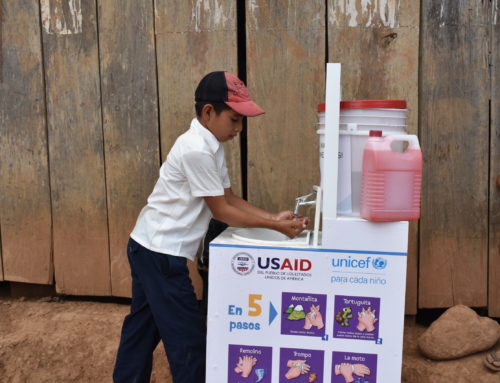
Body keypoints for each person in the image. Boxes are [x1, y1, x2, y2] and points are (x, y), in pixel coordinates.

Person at [113, 71, 309, 383]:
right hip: (161, 253)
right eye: (234, 119)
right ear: (208, 112)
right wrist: (276, 227)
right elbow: (221, 211)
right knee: (188, 340)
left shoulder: (211, 145)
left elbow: (230, 198)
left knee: (142, 329)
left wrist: (275, 219)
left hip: (148, 246)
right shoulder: (195, 149)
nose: (239, 129)